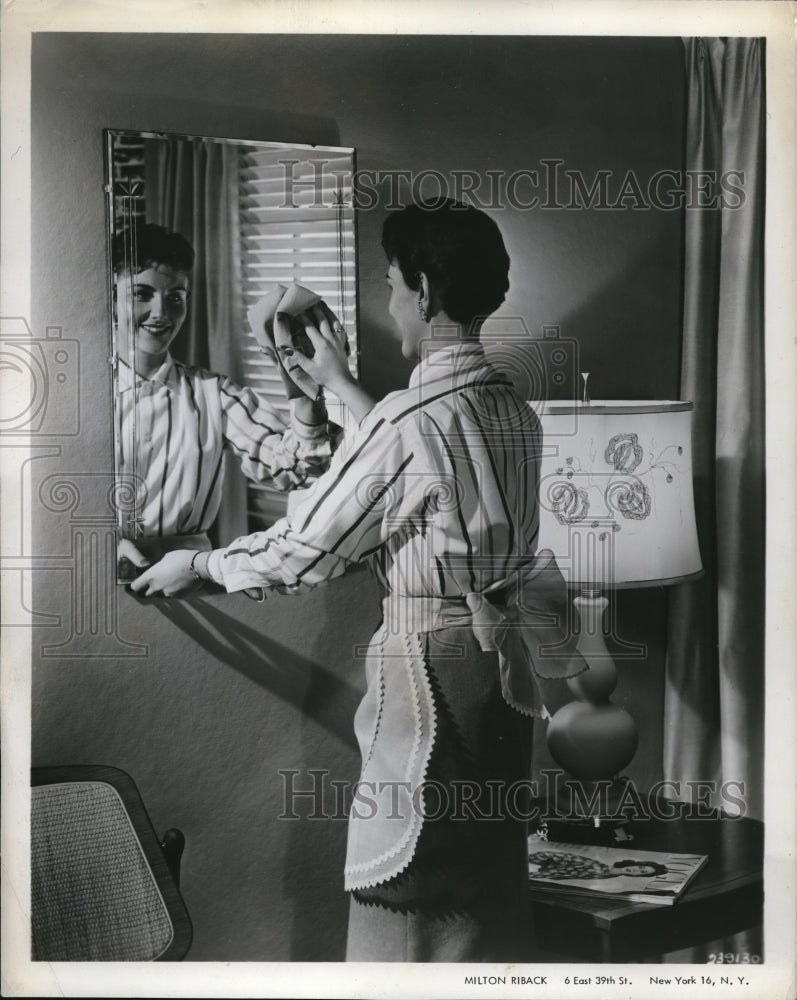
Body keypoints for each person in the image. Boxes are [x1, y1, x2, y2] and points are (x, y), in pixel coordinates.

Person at [131, 199, 584, 961]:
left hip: (429, 677)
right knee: (478, 891)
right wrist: (338, 385)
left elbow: (309, 547)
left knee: (404, 891)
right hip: (497, 674)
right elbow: (423, 469)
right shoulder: (512, 409)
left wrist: (201, 562)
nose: (390, 300)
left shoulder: (407, 421)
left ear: (425, 293)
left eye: (391, 284)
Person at [112, 223, 350, 569]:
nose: (161, 313)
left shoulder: (215, 394)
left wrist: (302, 388)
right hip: (96, 576)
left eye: (175, 297)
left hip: (188, 582)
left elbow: (295, 469)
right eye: (141, 294)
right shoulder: (80, 398)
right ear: (111, 297)